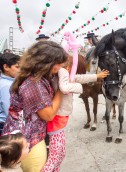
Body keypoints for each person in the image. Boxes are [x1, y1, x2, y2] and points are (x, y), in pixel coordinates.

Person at [2, 41, 67, 172]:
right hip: (30, 141)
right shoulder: (33, 84)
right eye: (58, 63)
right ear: (45, 63)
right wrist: (62, 88)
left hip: (28, 136)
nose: (61, 67)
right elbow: (48, 115)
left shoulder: (33, 77)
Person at [42, 56, 109, 172]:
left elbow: (77, 77)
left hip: (59, 118)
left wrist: (96, 76)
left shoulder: (59, 71)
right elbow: (64, 87)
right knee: (56, 154)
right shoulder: (62, 71)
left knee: (60, 153)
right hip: (57, 119)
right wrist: (80, 88)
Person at [0, 53, 20, 135]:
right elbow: (9, 111)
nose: (20, 70)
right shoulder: (6, 86)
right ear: (6, 67)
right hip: (5, 125)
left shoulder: (7, 82)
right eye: (17, 67)